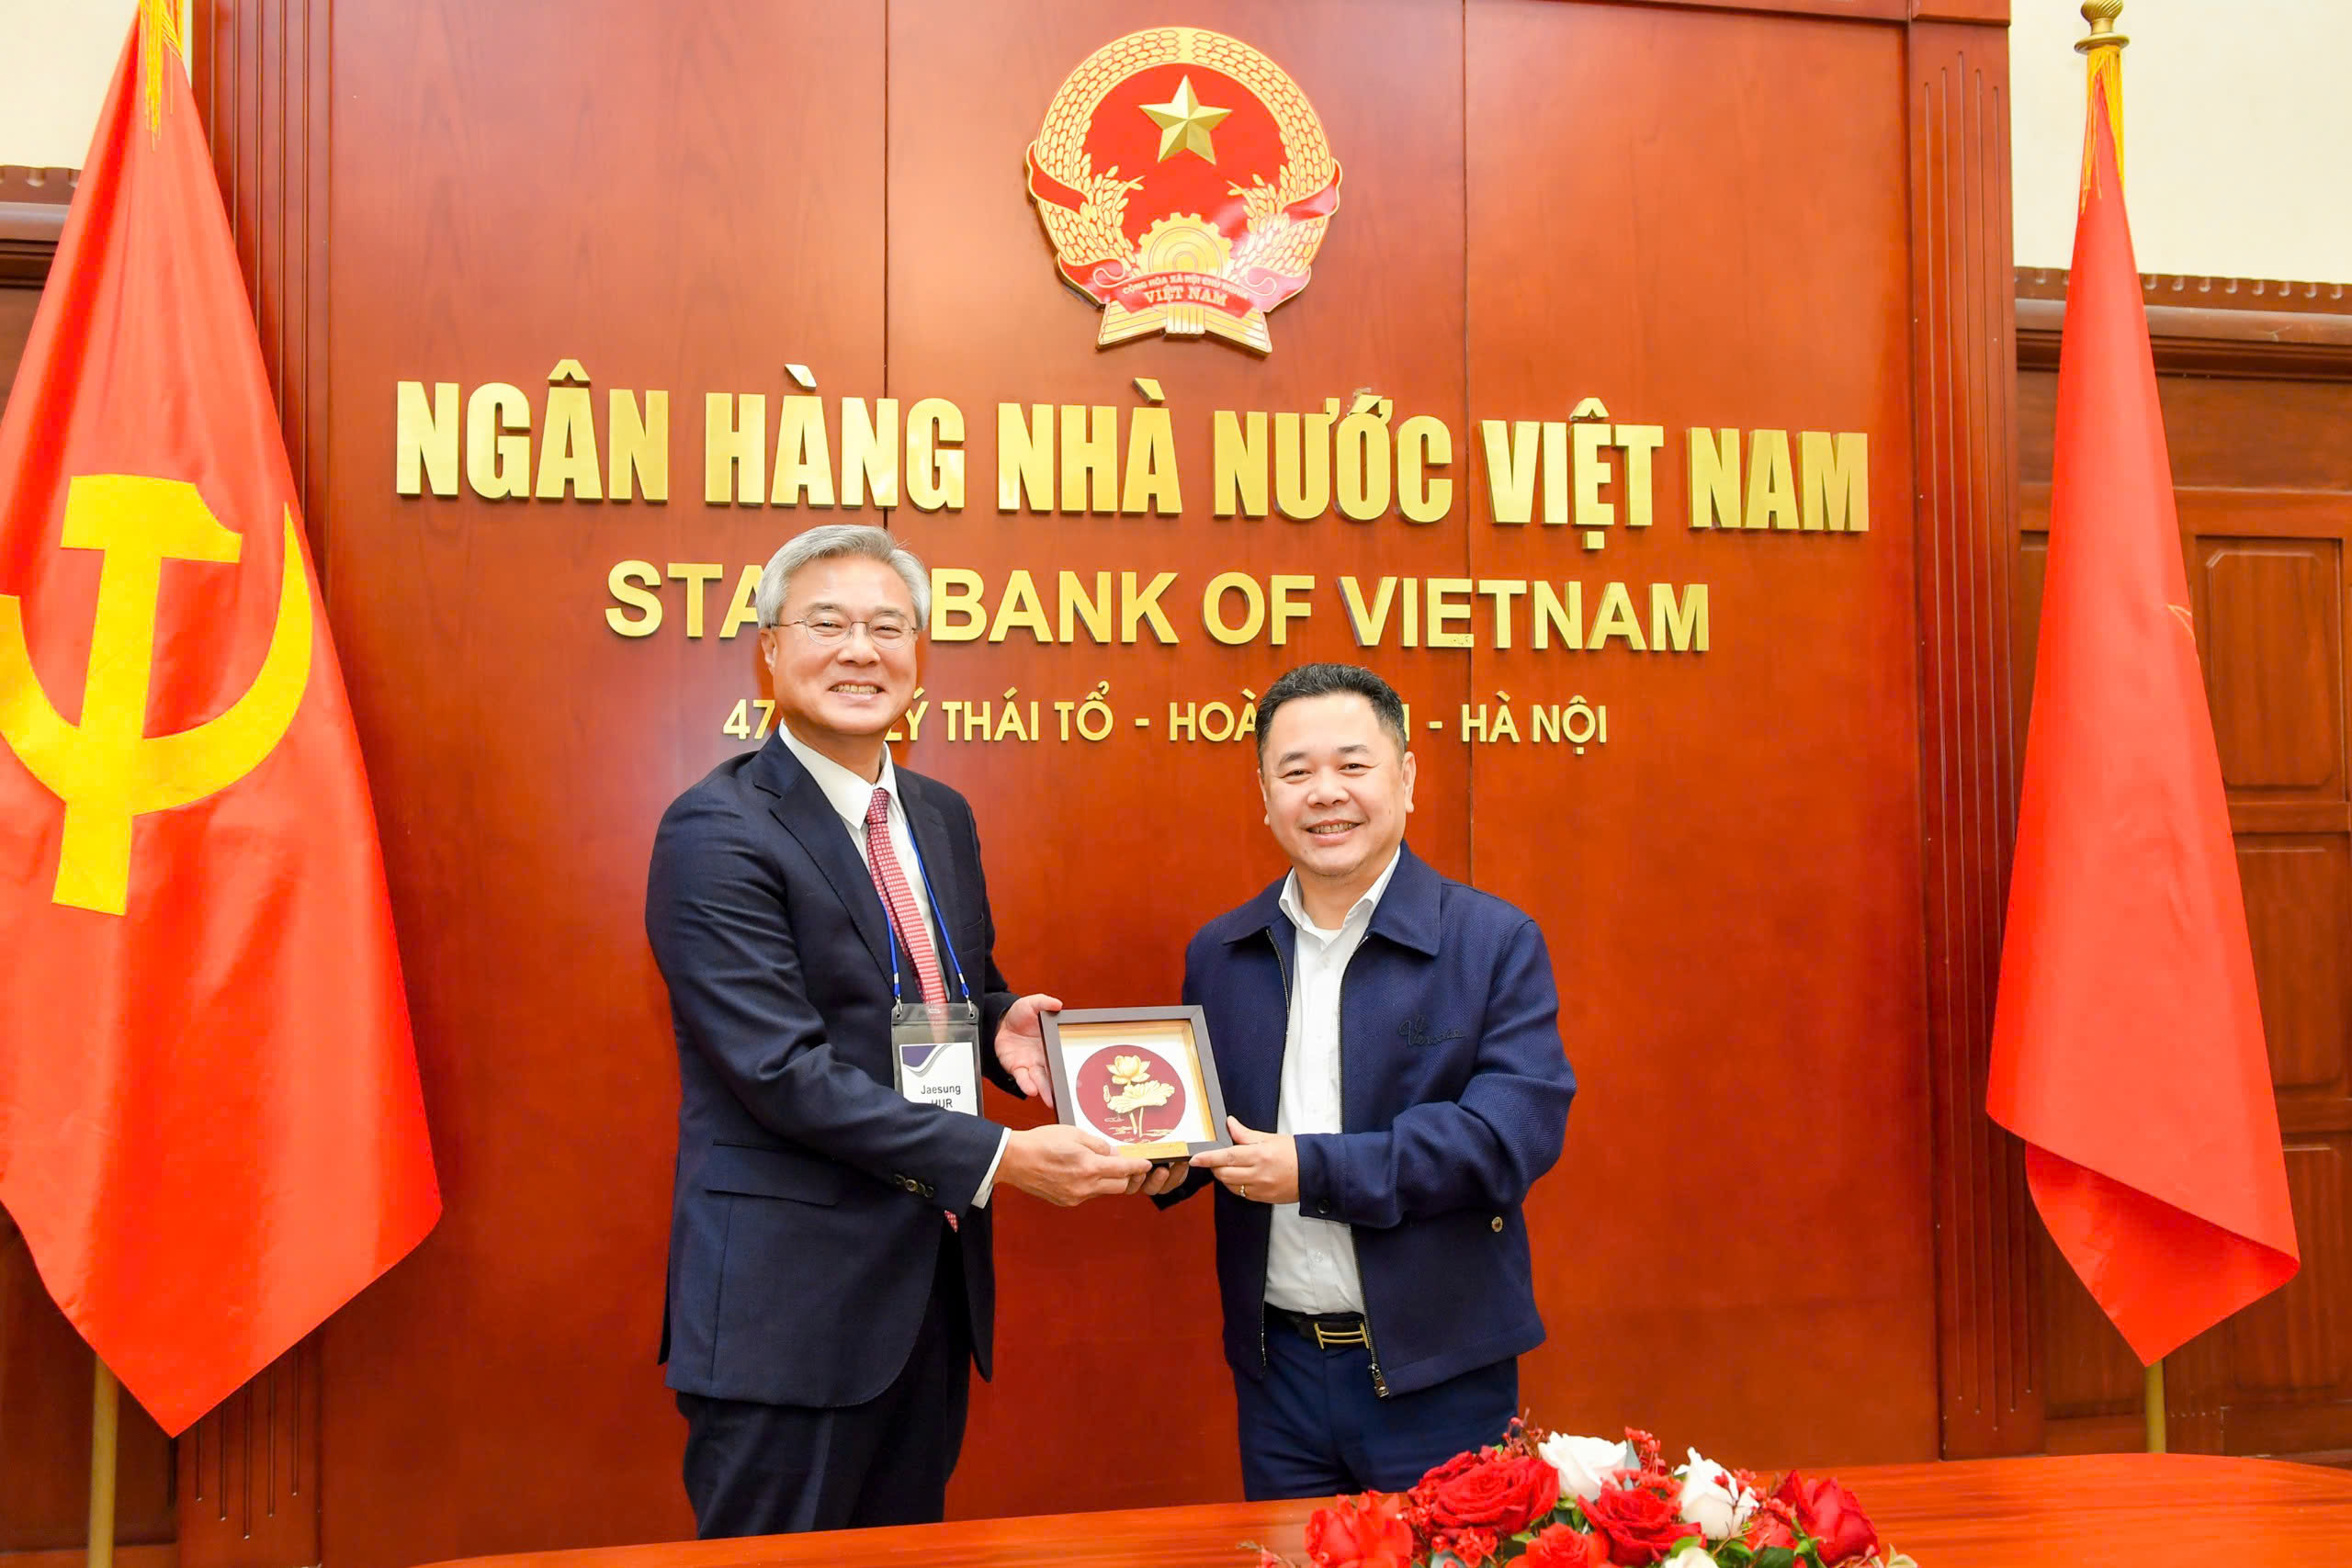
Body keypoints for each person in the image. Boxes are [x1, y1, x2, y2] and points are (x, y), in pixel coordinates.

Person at [645, 524, 1175, 1537]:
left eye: (889, 627)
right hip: (787, 1313)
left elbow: (932, 988)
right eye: (829, 624)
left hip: (926, 1291)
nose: (862, 650)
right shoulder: (717, 830)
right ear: (770, 649)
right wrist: (1003, 1159)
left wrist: (999, 1025)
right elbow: (781, 1070)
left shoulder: (938, 814)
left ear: (919, 654)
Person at [1168, 661, 1577, 1500]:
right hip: (1278, 1378)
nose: (1326, 792)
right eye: (1296, 771)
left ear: (1407, 777)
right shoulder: (1222, 952)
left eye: (1353, 765)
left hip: (1441, 1377)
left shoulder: (1492, 942)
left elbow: (1506, 1139)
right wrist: (1161, 1161)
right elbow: (1207, 1124)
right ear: (1265, 793)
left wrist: (1311, 1169)